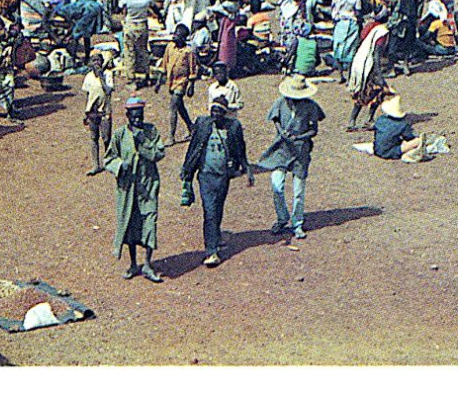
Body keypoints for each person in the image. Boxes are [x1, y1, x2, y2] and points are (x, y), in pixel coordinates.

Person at [180, 95, 253, 267]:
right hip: (205, 176)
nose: (215, 114)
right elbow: (193, 148)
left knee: (217, 209)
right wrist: (187, 170)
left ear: (225, 113)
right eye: (213, 110)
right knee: (210, 212)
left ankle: (216, 236)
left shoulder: (233, 128)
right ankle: (211, 251)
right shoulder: (203, 125)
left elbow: (240, 150)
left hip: (223, 177)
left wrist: (247, 169)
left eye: (219, 111)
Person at [255, 74, 325, 242]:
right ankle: (282, 217)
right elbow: (275, 120)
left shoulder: (310, 106)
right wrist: (281, 132)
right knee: (276, 184)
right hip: (282, 149)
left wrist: (300, 137)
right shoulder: (280, 102)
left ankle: (297, 223)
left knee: (298, 190)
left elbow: (313, 130)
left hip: (301, 151)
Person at [105, 96, 166, 282]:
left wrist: (144, 144)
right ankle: (133, 264)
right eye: (134, 117)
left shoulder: (151, 132)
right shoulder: (119, 135)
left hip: (148, 186)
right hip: (127, 189)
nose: (137, 120)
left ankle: (147, 264)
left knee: (149, 222)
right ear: (127, 116)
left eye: (140, 116)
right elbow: (108, 159)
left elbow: (159, 153)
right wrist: (119, 165)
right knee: (130, 225)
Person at [161, 25, 198, 144]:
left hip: (181, 82)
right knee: (179, 106)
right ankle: (191, 127)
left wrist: (191, 86)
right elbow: (164, 63)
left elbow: (192, 70)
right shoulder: (170, 47)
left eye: (178, 35)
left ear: (183, 38)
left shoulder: (188, 52)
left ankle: (171, 136)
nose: (175, 37)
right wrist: (159, 81)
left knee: (173, 105)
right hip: (171, 81)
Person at [82, 50, 114, 176]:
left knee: (106, 138)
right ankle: (96, 165)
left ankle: (109, 161)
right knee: (93, 138)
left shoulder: (108, 75)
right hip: (92, 111)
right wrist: (85, 112)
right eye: (94, 60)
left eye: (98, 60)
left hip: (104, 110)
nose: (97, 63)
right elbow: (88, 95)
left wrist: (101, 77)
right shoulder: (88, 77)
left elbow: (108, 91)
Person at [372, 93, 426, 161]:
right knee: (418, 141)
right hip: (390, 152)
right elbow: (409, 137)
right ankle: (408, 155)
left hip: (377, 150)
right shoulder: (402, 125)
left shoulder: (380, 119)